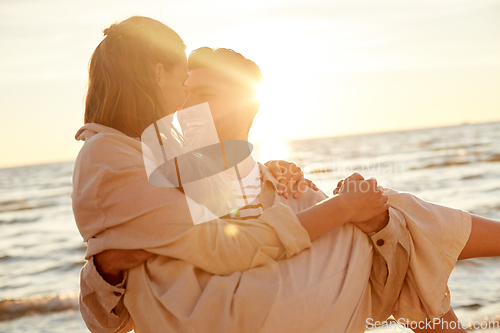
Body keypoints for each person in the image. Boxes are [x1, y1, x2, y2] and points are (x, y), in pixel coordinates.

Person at [73, 17, 500, 333]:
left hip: (256, 301)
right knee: (391, 222)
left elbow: (239, 224)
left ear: (247, 105)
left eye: (200, 93)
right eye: (185, 88)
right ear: (153, 76)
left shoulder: (250, 177)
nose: (186, 107)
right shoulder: (147, 161)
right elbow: (110, 313)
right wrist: (346, 207)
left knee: (394, 228)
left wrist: (290, 187)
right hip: (243, 312)